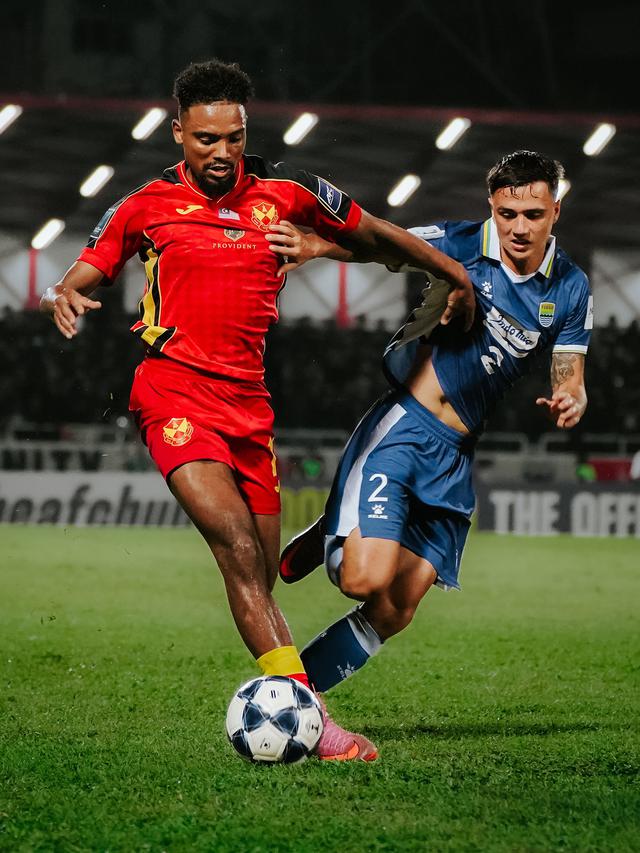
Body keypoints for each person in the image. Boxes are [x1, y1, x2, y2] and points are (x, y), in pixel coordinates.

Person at [40, 59, 475, 762]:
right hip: (172, 392)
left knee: (261, 572)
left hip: (248, 406)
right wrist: (63, 289)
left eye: (233, 138)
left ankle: (324, 533)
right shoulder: (145, 204)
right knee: (238, 553)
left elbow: (376, 235)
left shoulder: (288, 191)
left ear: (247, 132)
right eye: (205, 138)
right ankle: (315, 719)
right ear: (178, 131)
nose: (220, 153)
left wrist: (448, 271)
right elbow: (88, 267)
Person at [271, 151, 592, 731]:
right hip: (406, 432)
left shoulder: (570, 286)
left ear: (555, 211)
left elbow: (569, 370)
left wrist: (572, 396)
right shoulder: (460, 242)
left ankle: (293, 695)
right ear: (491, 207)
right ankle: (332, 535)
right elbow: (380, 239)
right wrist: (319, 245)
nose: (519, 227)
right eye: (507, 212)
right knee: (363, 579)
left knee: (395, 608)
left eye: (533, 214)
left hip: (455, 458)